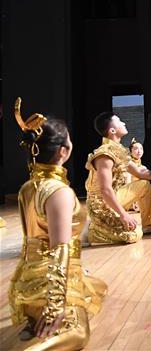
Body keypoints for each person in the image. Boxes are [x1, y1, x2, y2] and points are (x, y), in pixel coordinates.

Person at [9, 98, 107, 349]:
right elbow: (60, 250)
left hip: (27, 283)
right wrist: (55, 306)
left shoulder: (27, 188)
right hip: (49, 284)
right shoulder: (58, 191)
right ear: (64, 151)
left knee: (97, 287)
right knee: (78, 335)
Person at [85, 112, 151, 244]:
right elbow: (105, 189)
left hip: (114, 196)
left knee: (143, 184)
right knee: (133, 235)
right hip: (101, 205)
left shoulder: (119, 150)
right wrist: (124, 215)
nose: (124, 123)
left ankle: (150, 224)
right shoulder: (104, 155)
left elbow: (140, 173)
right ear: (112, 130)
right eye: (119, 122)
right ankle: (93, 231)